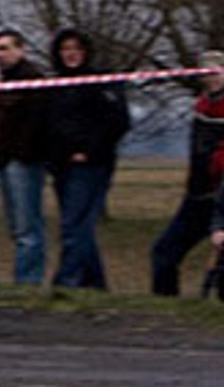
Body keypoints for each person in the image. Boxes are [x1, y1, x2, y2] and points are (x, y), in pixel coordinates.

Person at [44, 28, 130, 290]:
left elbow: (118, 122)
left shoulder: (101, 82)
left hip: (92, 164)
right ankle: (96, 284)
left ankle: (66, 282)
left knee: (74, 225)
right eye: (66, 49)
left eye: (76, 49)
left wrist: (89, 150)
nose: (71, 54)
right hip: (61, 166)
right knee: (79, 226)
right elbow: (48, 124)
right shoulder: (54, 85)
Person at [148, 49, 224, 296]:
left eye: (216, 71)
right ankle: (165, 309)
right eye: (206, 72)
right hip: (197, 197)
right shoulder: (201, 106)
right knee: (163, 254)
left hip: (221, 198)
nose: (211, 77)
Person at [0, 28, 51, 284]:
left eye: (4, 48)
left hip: (24, 162)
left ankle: (29, 280)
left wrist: (22, 152)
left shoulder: (33, 80)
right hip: (5, 161)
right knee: (16, 226)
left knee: (27, 227)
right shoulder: (4, 84)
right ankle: (25, 277)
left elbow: (38, 122)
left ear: (20, 49)